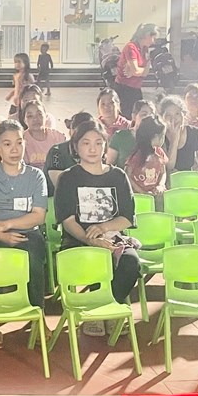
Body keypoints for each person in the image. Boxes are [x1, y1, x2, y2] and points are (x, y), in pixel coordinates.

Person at [0, 120, 49, 347]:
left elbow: (38, 216)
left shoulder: (36, 176)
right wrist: (0, 234)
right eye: (7, 144)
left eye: (19, 143)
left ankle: (38, 316)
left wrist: (8, 224)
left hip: (26, 232)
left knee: (33, 258)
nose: (14, 149)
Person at [55, 120, 141, 322]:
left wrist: (103, 227)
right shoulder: (68, 178)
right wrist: (90, 239)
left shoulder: (118, 176)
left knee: (131, 263)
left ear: (105, 145)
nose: (93, 149)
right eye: (86, 143)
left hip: (113, 239)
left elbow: (127, 217)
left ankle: (104, 311)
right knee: (95, 261)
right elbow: (68, 220)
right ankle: (99, 314)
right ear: (76, 146)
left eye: (98, 143)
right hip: (78, 240)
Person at [157, 95, 198, 206]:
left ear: (183, 114)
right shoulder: (159, 136)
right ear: (162, 117)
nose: (173, 119)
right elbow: (169, 166)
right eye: (168, 115)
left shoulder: (195, 133)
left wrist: (187, 175)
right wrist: (175, 139)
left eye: (177, 114)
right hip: (169, 178)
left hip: (190, 175)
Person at [43, 112, 96, 193]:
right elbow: (59, 183)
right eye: (78, 130)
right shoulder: (57, 151)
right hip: (58, 197)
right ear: (70, 131)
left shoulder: (96, 150)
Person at [113, 23, 158, 115]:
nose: (154, 42)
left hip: (136, 87)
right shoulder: (131, 47)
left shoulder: (145, 49)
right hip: (124, 89)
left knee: (138, 114)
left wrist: (140, 70)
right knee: (127, 115)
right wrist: (140, 70)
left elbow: (143, 73)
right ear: (147, 35)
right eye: (153, 38)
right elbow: (136, 71)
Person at [124, 116, 168, 199]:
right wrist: (142, 192)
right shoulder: (137, 155)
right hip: (140, 196)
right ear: (155, 136)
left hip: (157, 193)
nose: (163, 139)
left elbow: (163, 172)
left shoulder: (159, 152)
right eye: (162, 136)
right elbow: (127, 175)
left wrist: (161, 185)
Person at [20, 99, 66, 169]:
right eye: (30, 116)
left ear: (46, 116)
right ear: (24, 120)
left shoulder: (58, 137)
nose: (35, 119)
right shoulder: (21, 140)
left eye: (39, 114)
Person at [106, 100, 153, 167]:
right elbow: (109, 165)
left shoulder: (156, 138)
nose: (148, 118)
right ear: (134, 116)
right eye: (144, 114)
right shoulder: (120, 136)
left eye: (151, 115)